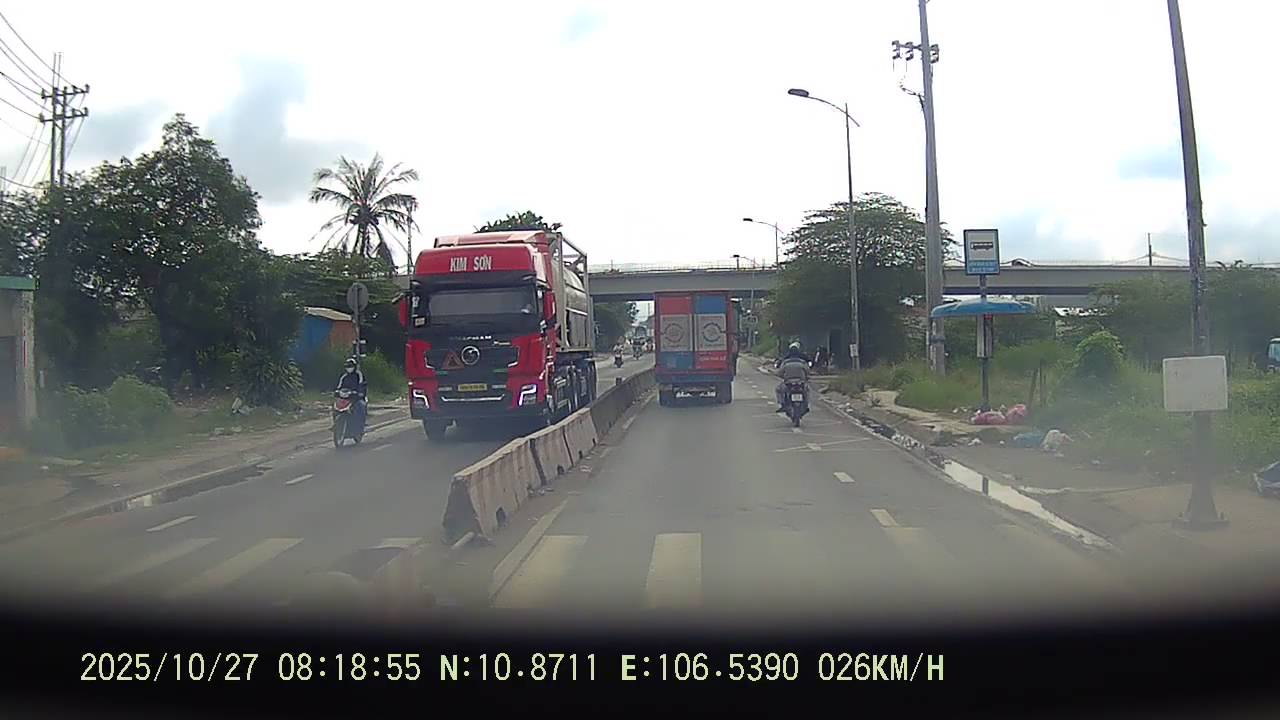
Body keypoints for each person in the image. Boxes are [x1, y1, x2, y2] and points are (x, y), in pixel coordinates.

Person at [775, 342, 810, 413]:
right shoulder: (802, 362)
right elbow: (807, 371)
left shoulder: (785, 362)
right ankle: (806, 405)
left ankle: (782, 404)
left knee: (778, 389)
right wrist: (806, 377)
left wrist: (782, 376)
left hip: (788, 382)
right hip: (801, 382)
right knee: (807, 390)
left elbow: (780, 372)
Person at [336, 357, 367, 429]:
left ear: (354, 366)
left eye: (350, 366)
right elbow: (339, 387)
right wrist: (336, 392)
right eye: (347, 366)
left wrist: (360, 392)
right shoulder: (344, 377)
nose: (349, 368)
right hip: (345, 398)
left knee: (361, 405)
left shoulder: (359, 375)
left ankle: (361, 425)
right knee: (335, 406)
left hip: (357, 397)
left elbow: (362, 385)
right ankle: (336, 424)